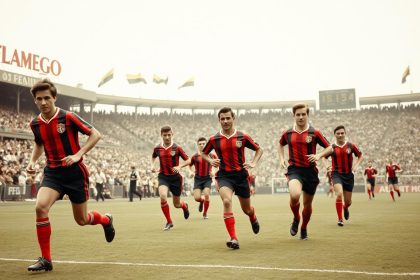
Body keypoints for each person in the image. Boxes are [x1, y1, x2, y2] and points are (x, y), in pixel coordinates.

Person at [26, 79, 115, 272]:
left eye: (47, 98)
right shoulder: (35, 124)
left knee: (82, 220)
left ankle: (106, 220)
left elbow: (96, 134)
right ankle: (46, 260)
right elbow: (39, 144)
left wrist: (78, 155)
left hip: (75, 174)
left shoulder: (68, 117)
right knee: (40, 207)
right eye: (39, 99)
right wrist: (32, 161)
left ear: (55, 97)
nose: (43, 102)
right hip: (52, 174)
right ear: (35, 101)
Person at [201, 107, 263, 250]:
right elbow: (203, 153)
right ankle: (233, 238)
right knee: (227, 201)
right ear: (219, 120)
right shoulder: (214, 139)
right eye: (222, 118)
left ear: (233, 118)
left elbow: (259, 149)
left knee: (246, 209)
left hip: (241, 177)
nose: (225, 121)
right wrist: (210, 161)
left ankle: (252, 216)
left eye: (228, 118)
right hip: (224, 176)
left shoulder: (242, 136)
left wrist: (253, 163)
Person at [278, 103, 330, 240]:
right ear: (293, 116)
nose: (301, 117)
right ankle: (296, 218)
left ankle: (304, 227)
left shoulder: (315, 132)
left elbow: (330, 148)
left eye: (303, 114)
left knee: (307, 205)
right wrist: (281, 158)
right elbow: (280, 144)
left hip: (310, 172)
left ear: (307, 115)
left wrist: (318, 155)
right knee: (294, 195)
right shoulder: (288, 133)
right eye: (298, 115)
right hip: (294, 170)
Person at [323, 125, 363, 226]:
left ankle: (345, 207)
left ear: (345, 134)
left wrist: (356, 166)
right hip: (336, 174)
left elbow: (360, 156)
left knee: (348, 202)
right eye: (338, 133)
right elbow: (323, 157)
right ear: (335, 135)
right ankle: (340, 219)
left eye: (342, 133)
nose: (340, 135)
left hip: (349, 176)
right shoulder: (332, 147)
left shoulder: (351, 146)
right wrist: (327, 166)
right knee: (339, 193)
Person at [151, 126, 190, 231]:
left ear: (172, 134)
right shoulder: (157, 148)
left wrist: (180, 166)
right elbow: (153, 156)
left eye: (169, 135)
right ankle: (169, 221)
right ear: (161, 135)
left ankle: (184, 206)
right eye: (165, 135)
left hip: (176, 179)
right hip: (163, 176)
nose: (167, 137)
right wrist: (152, 165)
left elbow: (188, 160)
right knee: (163, 196)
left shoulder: (177, 148)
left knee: (176, 204)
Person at [178, 137, 218, 219]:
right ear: (197, 145)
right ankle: (202, 201)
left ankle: (205, 213)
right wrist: (190, 172)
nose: (202, 145)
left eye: (203, 144)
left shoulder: (212, 155)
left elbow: (217, 166)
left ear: (207, 144)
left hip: (207, 178)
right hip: (198, 179)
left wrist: (214, 172)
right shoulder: (195, 156)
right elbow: (188, 166)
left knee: (206, 194)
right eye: (200, 144)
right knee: (196, 198)